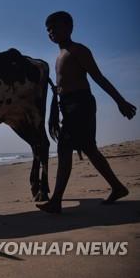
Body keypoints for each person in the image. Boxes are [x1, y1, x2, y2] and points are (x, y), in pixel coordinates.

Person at [37, 11, 136, 214]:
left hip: (80, 104)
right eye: (48, 29)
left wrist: (120, 101)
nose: (51, 32)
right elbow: (63, 85)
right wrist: (56, 101)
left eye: (55, 27)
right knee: (90, 149)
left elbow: (98, 77)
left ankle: (56, 200)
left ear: (69, 28)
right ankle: (118, 188)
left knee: (64, 147)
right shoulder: (59, 56)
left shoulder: (78, 50)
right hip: (68, 105)